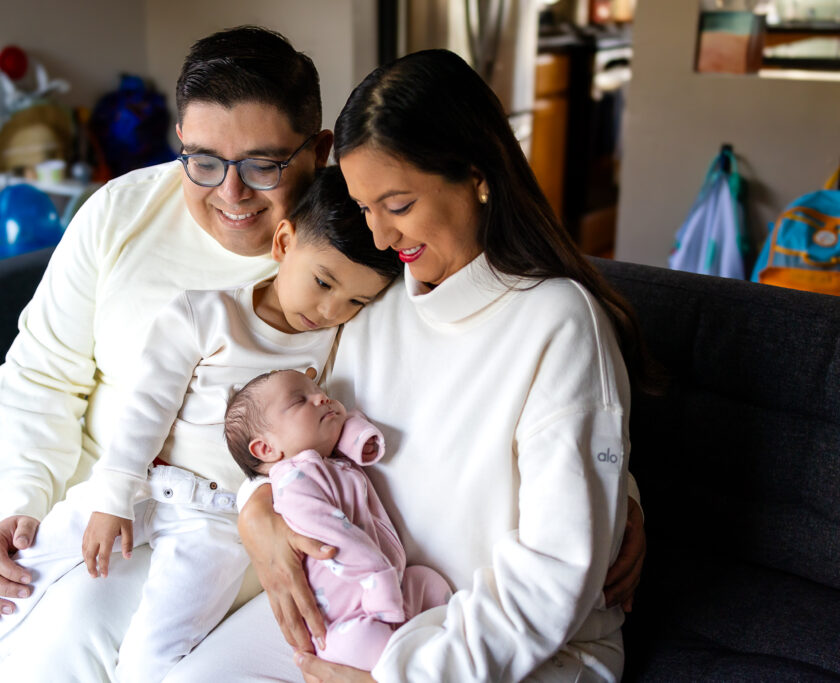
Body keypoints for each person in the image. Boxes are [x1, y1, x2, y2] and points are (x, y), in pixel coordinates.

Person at [0, 27, 644, 683]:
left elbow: (537, 444)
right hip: (150, 484)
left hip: (276, 537)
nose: (233, 193)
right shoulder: (146, 215)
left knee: (80, 624)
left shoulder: (364, 277)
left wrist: (620, 499)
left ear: (316, 154)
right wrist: (30, 499)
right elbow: (47, 370)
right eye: (205, 161)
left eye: (263, 164)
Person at [163, 48, 656, 683]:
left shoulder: (556, 322)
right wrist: (257, 503)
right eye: (365, 208)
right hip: (361, 609)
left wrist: (406, 678)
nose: (379, 237)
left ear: (477, 175)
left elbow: (554, 569)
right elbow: (293, 431)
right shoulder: (371, 298)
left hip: (504, 651)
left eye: (397, 205)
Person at [0, 166, 401, 682]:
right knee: (25, 568)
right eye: (323, 283)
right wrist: (113, 498)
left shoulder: (329, 346)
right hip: (150, 483)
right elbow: (146, 407)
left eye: (354, 302)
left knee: (156, 651)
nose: (328, 309)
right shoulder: (205, 315)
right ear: (283, 243)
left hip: (218, 524)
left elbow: (324, 433)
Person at [225, 369, 452, 672]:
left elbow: (345, 422)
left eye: (318, 389)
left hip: (391, 584)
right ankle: (415, 660)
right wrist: (378, 580)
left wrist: (359, 440)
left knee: (429, 583)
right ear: (266, 449)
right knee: (365, 644)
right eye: (299, 400)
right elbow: (331, 538)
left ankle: (438, 650)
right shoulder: (292, 482)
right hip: (350, 614)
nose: (322, 397)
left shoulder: (326, 460)